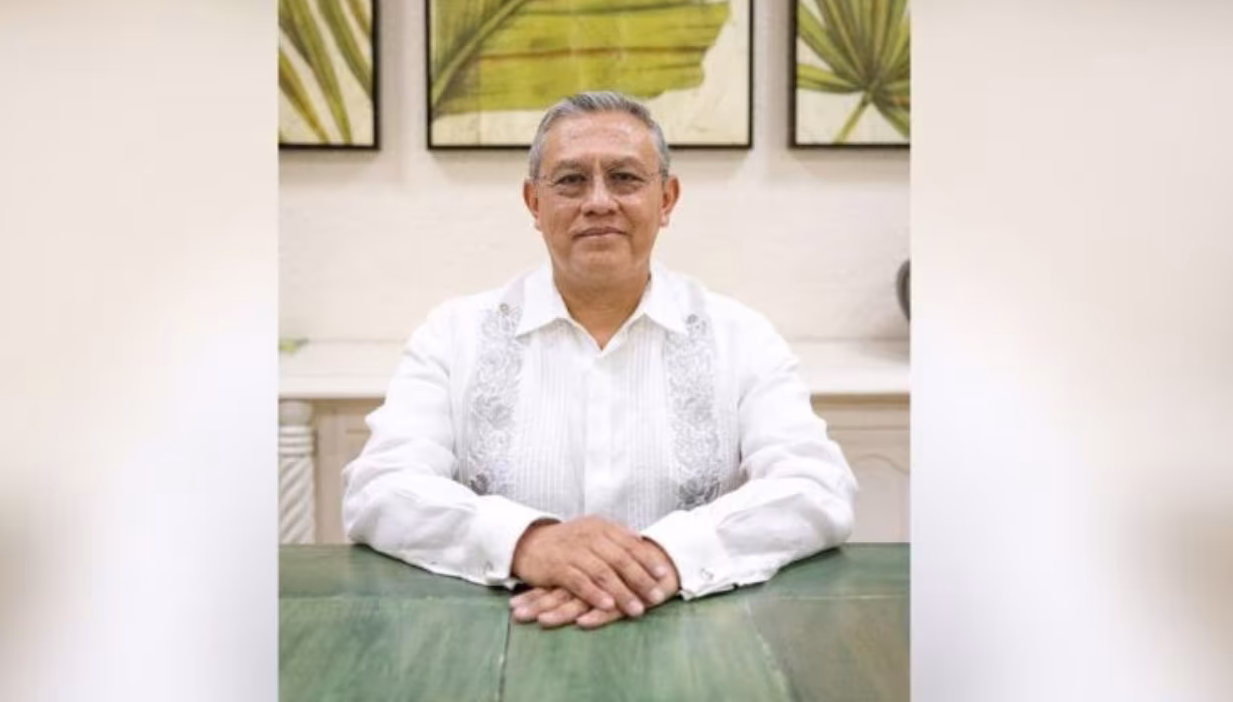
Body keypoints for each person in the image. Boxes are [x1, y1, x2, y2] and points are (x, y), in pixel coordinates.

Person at [343, 91, 857, 630]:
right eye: (570, 180)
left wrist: (666, 557)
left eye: (625, 178)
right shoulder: (453, 335)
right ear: (533, 203)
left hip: (697, 630)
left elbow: (817, 486)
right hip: (499, 631)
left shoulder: (742, 337)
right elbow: (380, 488)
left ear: (667, 199)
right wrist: (529, 544)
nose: (598, 201)